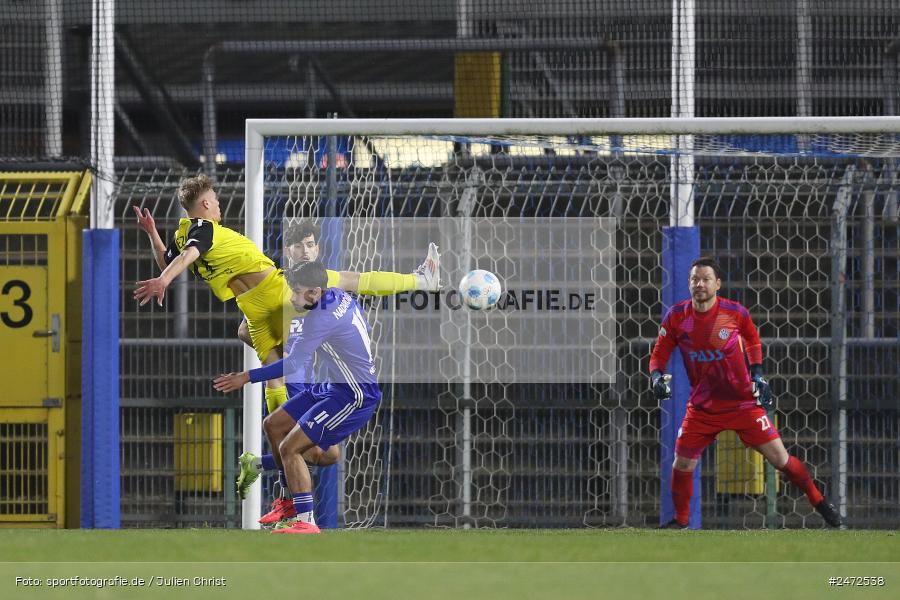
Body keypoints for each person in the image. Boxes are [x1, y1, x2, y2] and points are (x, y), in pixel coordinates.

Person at [133, 174, 439, 416]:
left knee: (274, 379)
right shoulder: (204, 229)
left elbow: (171, 259)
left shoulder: (183, 232)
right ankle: (420, 280)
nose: (219, 205)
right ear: (204, 206)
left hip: (253, 311)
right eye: (214, 200)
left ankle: (283, 452)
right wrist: (162, 279)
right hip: (279, 289)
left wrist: (152, 233)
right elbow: (186, 256)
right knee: (350, 279)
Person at [649, 257, 841, 529]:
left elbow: (752, 340)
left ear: (718, 284)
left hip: (742, 405)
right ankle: (680, 524)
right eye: (694, 279)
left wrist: (758, 373)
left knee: (781, 459)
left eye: (705, 279)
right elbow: (659, 352)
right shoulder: (677, 317)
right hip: (703, 407)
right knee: (682, 463)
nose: (699, 284)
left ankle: (820, 503)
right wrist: (656, 375)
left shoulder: (735, 313)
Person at [213, 261, 383, 534]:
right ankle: (284, 498)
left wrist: (246, 377)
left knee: (297, 450)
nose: (292, 297)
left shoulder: (320, 318)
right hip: (332, 387)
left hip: (354, 395)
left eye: (298, 292)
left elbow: (292, 365)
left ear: (315, 292)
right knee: (274, 425)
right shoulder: (338, 296)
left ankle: (305, 520)